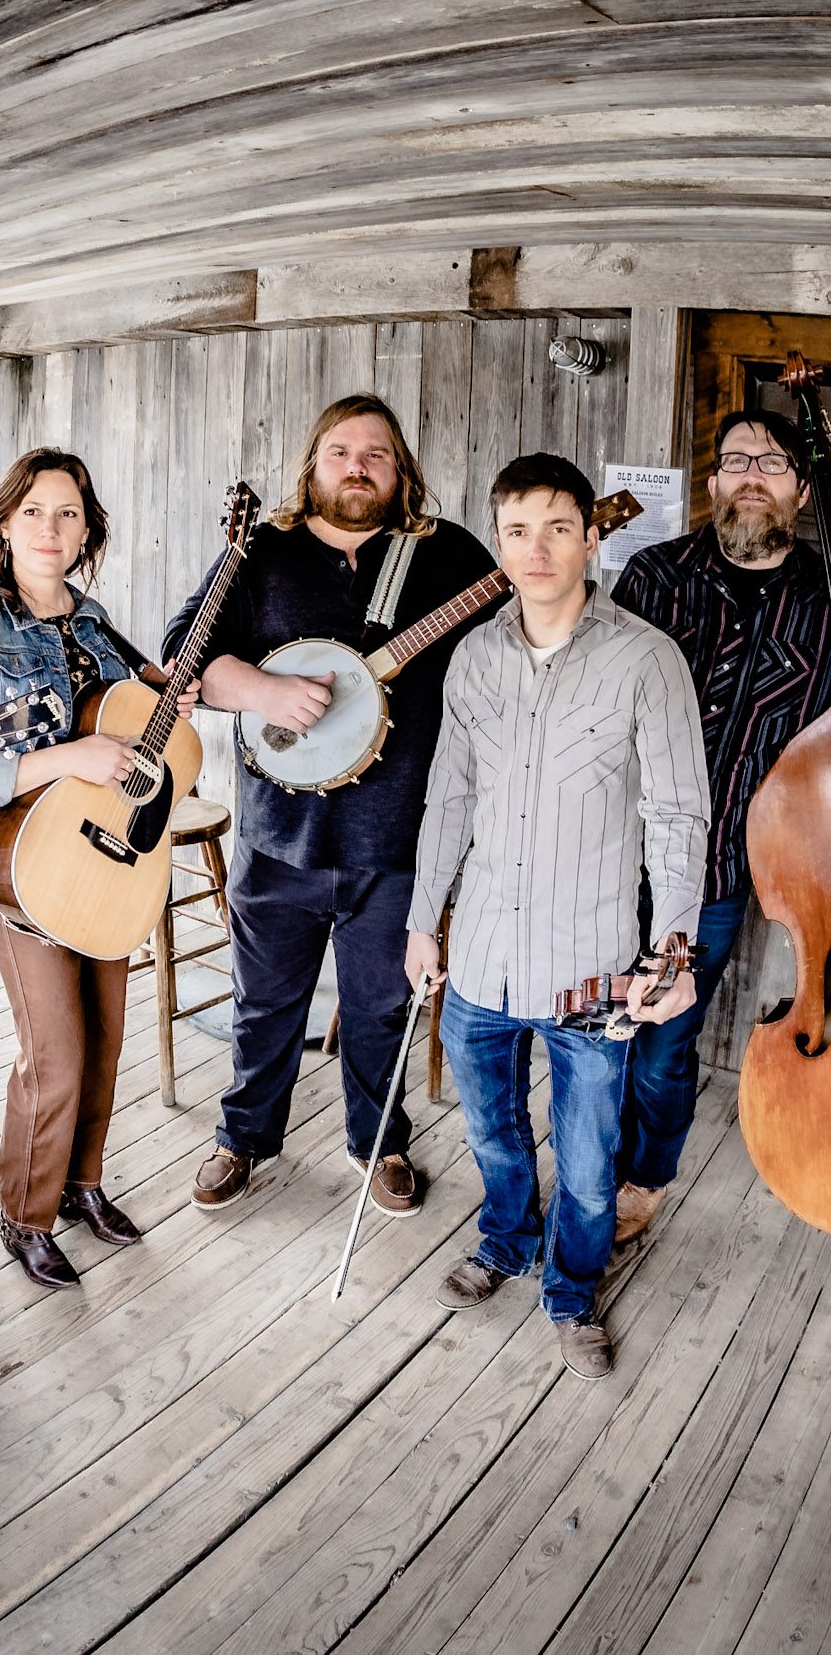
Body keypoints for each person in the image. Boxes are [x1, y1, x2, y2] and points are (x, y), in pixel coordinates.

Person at [406, 453, 709, 1381]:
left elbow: (676, 813)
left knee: (587, 1159)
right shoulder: (475, 655)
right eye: (517, 531)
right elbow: (448, 797)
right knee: (494, 1132)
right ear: (500, 544)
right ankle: (505, 1238)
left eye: (557, 528)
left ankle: (572, 1291)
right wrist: (425, 921)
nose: (536, 550)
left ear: (591, 536)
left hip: (592, 969)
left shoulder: (645, 658)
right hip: (483, 960)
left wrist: (676, 948)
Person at [164, 394, 497, 1216]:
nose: (357, 466)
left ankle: (378, 1142)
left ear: (401, 468)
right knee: (264, 1002)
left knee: (382, 1009)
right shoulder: (262, 549)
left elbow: (512, 639)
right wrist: (264, 690)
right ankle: (244, 1138)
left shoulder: (446, 552)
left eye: (376, 453)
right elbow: (182, 655)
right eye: (341, 451)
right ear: (313, 464)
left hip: (396, 839)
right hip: (279, 836)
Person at [608, 408, 831, 1245]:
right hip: (611, 853)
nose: (752, 474)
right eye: (736, 459)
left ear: (799, 489)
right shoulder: (651, 574)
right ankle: (582, 1161)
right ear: (713, 481)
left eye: (775, 463)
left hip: (719, 870)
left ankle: (642, 1175)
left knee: (664, 1039)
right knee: (597, 1021)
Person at [0, 448, 197, 1289]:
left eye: (69, 513)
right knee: (57, 1055)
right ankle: (25, 1214)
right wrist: (65, 759)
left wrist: (165, 711)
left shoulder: (99, 622)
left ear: (88, 531)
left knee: (109, 1044)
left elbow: (129, 736)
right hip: (27, 873)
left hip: (109, 859)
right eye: (35, 511)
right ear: (5, 523)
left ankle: (84, 1185)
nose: (52, 528)